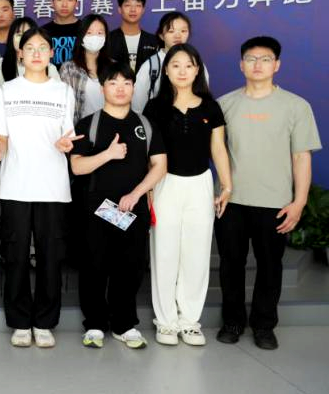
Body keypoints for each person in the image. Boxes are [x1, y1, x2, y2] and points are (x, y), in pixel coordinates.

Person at [215, 36, 321, 350]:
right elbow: (216, 151)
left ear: (277, 65)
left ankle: (263, 326)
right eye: (251, 59)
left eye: (265, 59)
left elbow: (301, 157)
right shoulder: (224, 104)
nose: (257, 64)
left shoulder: (296, 106)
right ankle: (232, 322)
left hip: (275, 202)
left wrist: (299, 202)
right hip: (231, 201)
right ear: (241, 65)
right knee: (231, 265)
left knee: (270, 267)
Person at [0, 27, 76, 349]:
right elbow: (1, 141)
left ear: (52, 54)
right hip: (15, 187)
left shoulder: (64, 91)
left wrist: (66, 145)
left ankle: (45, 322)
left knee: (51, 257)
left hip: (53, 188)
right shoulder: (6, 91)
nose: (36, 53)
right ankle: (20, 322)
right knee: (16, 257)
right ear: (20, 54)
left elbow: (68, 137)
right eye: (30, 48)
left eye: (42, 47)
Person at [70, 61, 167, 350]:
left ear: (134, 88)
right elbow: (77, 167)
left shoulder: (145, 125)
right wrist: (108, 154)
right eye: (113, 83)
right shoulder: (89, 124)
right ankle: (95, 324)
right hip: (95, 210)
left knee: (131, 268)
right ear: (103, 89)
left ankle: (125, 324)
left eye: (126, 83)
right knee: (94, 267)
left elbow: (160, 165)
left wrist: (136, 194)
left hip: (133, 210)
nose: (120, 89)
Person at [144, 43, 232, 346]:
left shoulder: (210, 107)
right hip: (164, 183)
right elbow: (149, 153)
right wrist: (148, 188)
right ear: (166, 71)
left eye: (189, 65)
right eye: (176, 65)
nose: (182, 71)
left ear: (198, 71)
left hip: (200, 184)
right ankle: (166, 322)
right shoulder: (154, 108)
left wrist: (226, 185)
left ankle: (190, 321)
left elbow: (218, 149)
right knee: (165, 251)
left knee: (196, 252)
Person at [132, 11, 208, 112]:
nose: (178, 36)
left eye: (183, 31)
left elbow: (203, 94)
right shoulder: (151, 65)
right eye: (171, 31)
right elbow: (137, 105)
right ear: (161, 35)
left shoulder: (196, 63)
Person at [59, 14, 112, 123]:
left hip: (110, 126)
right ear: (81, 36)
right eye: (89, 33)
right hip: (81, 128)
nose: (95, 37)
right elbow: (64, 107)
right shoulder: (69, 69)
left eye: (100, 33)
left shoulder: (114, 67)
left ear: (106, 37)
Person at [0, 17, 60, 92]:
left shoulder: (50, 69)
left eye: (28, 34)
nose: (23, 38)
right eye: (19, 35)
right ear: (11, 38)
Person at [106, 0, 160, 72]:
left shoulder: (154, 41)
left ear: (143, 10)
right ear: (119, 9)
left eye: (138, 5)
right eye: (128, 5)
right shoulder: (108, 39)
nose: (133, 10)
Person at [42, 0, 82, 67]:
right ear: (52, 3)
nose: (64, 5)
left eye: (70, 0)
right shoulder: (43, 31)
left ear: (77, 4)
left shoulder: (85, 29)